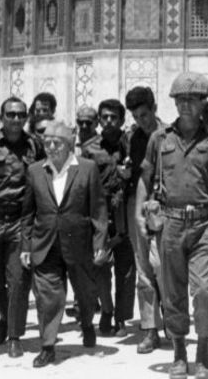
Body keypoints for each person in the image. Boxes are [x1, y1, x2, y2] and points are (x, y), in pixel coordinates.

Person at [135, 71, 208, 379]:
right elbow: (145, 177)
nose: (186, 105)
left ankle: (203, 348)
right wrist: (141, 213)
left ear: (203, 103)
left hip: (207, 223)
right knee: (172, 291)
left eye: (192, 99)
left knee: (206, 290)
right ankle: (179, 350)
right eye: (180, 99)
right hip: (171, 223)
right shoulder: (159, 138)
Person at [19, 121, 109, 367]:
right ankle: (47, 346)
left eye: (56, 143)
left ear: (69, 144)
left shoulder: (88, 168)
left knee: (86, 292)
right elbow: (28, 213)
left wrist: (100, 241)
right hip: (45, 244)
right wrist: (26, 246)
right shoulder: (36, 171)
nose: (50, 147)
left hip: (79, 243)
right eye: (46, 142)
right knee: (49, 297)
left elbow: (98, 208)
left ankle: (87, 322)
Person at [0, 96, 43, 359]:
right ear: (2, 118)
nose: (16, 119)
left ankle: (14, 336)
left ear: (26, 117)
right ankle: (6, 316)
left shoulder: (34, 145)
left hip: (20, 219)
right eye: (11, 115)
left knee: (18, 279)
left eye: (20, 115)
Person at [78, 99, 136, 336]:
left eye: (114, 117)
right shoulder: (90, 148)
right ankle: (107, 310)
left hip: (125, 214)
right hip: (100, 215)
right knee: (99, 268)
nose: (109, 121)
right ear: (99, 121)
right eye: (105, 117)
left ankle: (121, 318)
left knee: (126, 270)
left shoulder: (133, 144)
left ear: (122, 120)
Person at [124, 85, 165, 353]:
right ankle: (150, 329)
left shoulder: (169, 136)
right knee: (143, 270)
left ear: (154, 109)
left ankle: (174, 327)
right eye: (136, 117)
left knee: (165, 269)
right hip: (138, 207)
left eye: (144, 115)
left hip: (164, 208)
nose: (141, 121)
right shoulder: (134, 138)